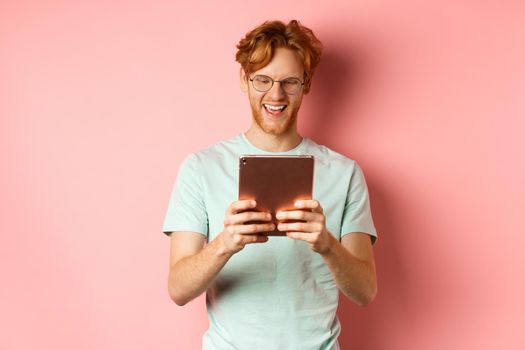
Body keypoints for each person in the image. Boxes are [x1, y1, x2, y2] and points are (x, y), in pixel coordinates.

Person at [163, 19, 378, 350]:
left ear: (306, 84)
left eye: (289, 81)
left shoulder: (345, 173)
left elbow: (365, 291)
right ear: (244, 80)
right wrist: (226, 242)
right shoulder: (200, 168)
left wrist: (326, 244)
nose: (275, 94)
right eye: (262, 79)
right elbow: (178, 289)